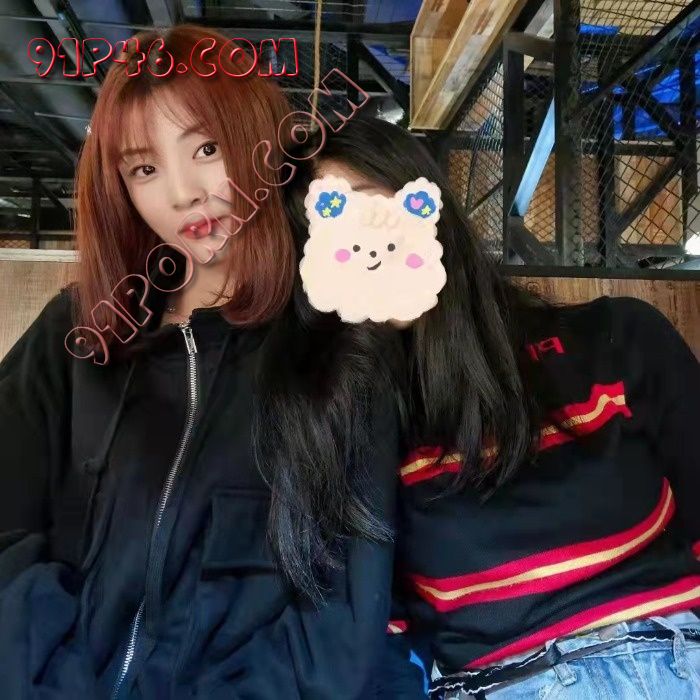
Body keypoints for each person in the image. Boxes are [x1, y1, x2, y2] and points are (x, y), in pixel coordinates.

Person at [0, 27, 404, 699]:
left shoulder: (337, 348)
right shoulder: (74, 337)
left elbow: (337, 624)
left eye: (207, 149)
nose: (182, 193)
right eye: (144, 169)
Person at [283, 114, 700, 699]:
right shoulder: (349, 420)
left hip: (673, 653)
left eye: (363, 204)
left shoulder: (615, 338)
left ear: (426, 207)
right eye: (319, 229)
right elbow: (376, 632)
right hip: (500, 683)